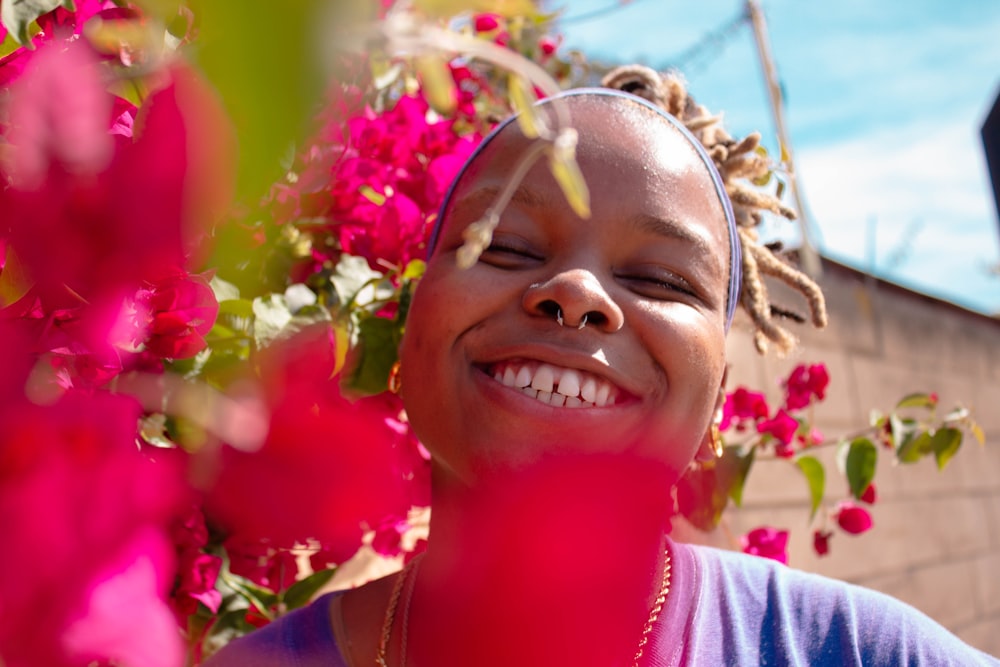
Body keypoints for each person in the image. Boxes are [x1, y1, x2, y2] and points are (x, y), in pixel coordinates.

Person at [204, 72, 998, 666]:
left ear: (718, 400)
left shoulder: (866, 653)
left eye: (660, 278)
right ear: (408, 333)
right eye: (505, 246)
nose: (575, 293)